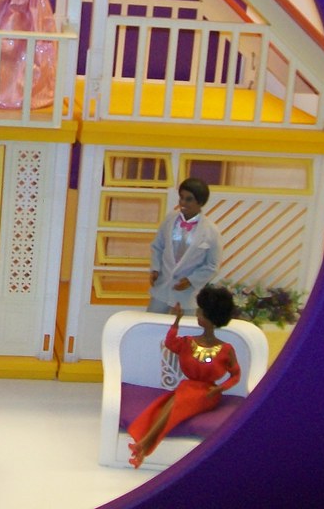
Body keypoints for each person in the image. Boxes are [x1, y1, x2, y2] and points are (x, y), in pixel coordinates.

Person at [127, 284, 241, 468]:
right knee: (173, 402)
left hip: (207, 394)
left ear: (211, 318)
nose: (197, 314)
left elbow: (236, 375)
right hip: (188, 387)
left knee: (175, 402)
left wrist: (220, 388)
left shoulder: (226, 349)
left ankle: (143, 444)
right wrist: (176, 321)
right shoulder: (188, 342)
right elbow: (170, 343)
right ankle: (143, 445)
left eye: (201, 312)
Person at [147, 177, 222, 314]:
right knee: (151, 321)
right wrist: (155, 268)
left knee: (186, 326)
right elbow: (158, 246)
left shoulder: (211, 231)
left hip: (187, 295)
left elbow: (212, 265)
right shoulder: (170, 220)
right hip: (162, 288)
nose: (182, 202)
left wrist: (191, 280)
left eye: (189, 199)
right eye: (181, 197)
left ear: (200, 202)